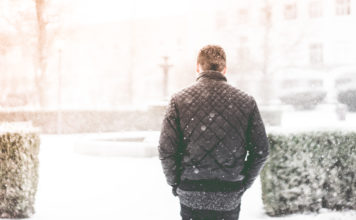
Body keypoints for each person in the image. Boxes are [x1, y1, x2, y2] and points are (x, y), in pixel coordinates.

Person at [158, 45, 269, 220]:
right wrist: (242, 183)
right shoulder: (246, 101)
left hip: (191, 192)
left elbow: (166, 150)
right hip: (229, 194)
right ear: (225, 68)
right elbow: (261, 151)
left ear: (198, 67)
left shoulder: (178, 101)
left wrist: (176, 183)